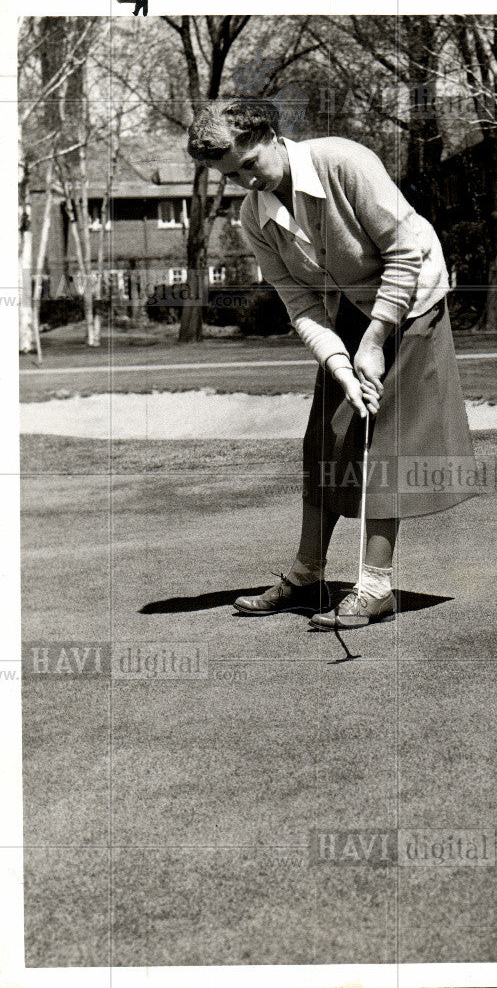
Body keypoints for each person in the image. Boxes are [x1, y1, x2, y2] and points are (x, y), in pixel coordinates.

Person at [187, 98, 479, 630]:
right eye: (232, 176)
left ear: (272, 135)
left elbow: (404, 251)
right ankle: (306, 575)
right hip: (351, 304)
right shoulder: (256, 217)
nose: (247, 182)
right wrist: (342, 367)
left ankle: (375, 586)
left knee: (388, 438)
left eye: (249, 165)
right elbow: (299, 304)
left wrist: (374, 339)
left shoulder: (343, 162)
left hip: (413, 297)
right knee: (325, 435)